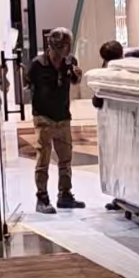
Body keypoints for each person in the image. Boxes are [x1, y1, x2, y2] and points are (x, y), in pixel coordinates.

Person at [27, 27, 85, 214]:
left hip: (63, 116)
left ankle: (65, 194)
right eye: (63, 46)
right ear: (53, 46)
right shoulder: (37, 64)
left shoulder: (70, 62)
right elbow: (27, 83)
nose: (66, 50)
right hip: (43, 116)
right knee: (43, 158)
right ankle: (42, 197)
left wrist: (77, 76)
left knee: (66, 158)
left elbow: (74, 81)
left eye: (68, 45)